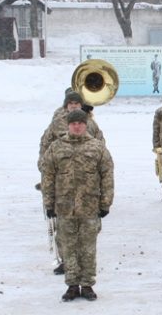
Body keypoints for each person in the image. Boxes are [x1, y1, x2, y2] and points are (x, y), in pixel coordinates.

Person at [41, 109, 114, 301]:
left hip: (90, 206)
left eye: (80, 123)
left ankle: (87, 285)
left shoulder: (97, 147)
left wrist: (105, 203)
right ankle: (72, 285)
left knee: (88, 248)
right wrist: (48, 203)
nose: (77, 126)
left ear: (85, 125)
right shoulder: (56, 147)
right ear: (68, 125)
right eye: (73, 123)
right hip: (64, 207)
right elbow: (48, 176)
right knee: (68, 247)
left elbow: (107, 175)